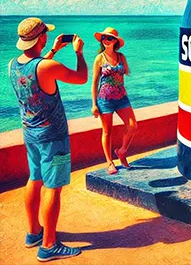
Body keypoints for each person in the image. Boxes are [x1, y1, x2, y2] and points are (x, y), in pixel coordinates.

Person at [9, 17, 88, 262]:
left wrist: (53, 50)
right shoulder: (45, 67)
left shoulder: (13, 64)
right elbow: (81, 77)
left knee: (34, 179)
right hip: (53, 137)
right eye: (45, 35)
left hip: (30, 133)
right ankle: (49, 245)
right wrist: (79, 53)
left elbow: (40, 69)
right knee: (52, 187)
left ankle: (33, 232)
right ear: (40, 37)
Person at [91, 27, 137, 175]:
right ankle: (109, 162)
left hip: (122, 97)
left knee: (132, 126)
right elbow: (94, 82)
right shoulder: (99, 58)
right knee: (107, 132)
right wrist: (94, 104)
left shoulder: (121, 56)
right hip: (104, 99)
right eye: (104, 38)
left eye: (110, 38)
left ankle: (122, 151)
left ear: (115, 41)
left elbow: (127, 72)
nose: (106, 40)